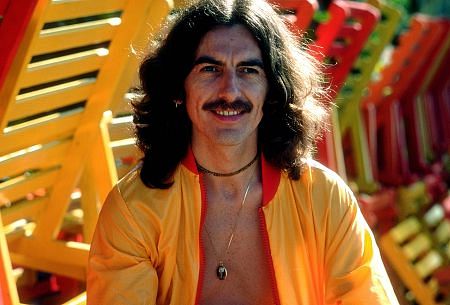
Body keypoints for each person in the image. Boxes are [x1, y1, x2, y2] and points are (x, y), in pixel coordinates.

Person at [87, 0, 400, 304]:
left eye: (249, 70)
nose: (230, 91)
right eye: (210, 69)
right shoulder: (133, 212)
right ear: (177, 90)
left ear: (273, 90)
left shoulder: (325, 199)